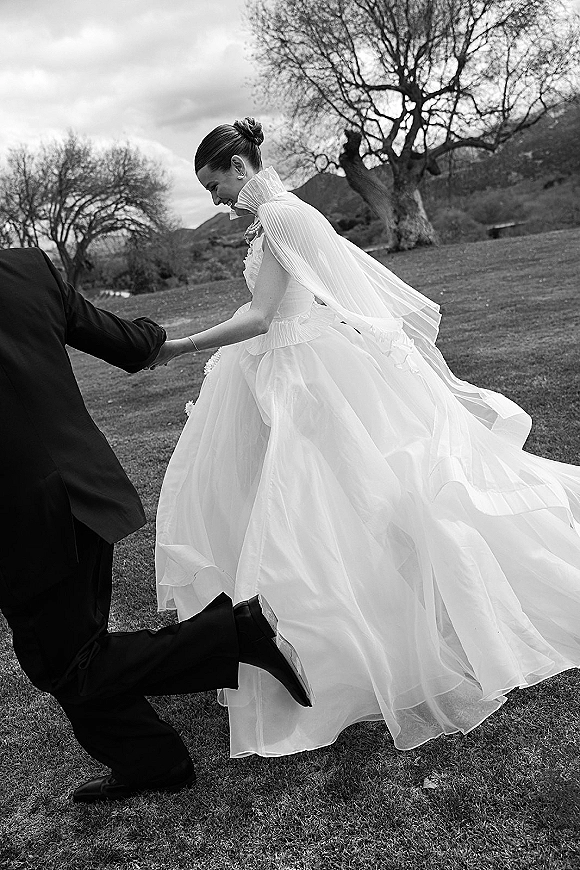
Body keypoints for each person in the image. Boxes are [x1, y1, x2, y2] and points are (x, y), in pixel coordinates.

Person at [154, 117, 580, 758]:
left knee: (324, 502)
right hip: (290, 365)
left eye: (215, 184)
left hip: (306, 374)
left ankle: (351, 636)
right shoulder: (281, 216)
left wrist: (180, 345)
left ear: (239, 168)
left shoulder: (283, 219)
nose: (215, 199)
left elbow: (263, 314)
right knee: (316, 502)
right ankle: (311, 630)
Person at [0, 245, 312, 803]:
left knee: (66, 665)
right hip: (83, 484)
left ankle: (232, 634)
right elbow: (126, 342)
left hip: (22, 514)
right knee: (75, 650)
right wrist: (156, 341)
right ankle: (152, 761)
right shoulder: (26, 266)